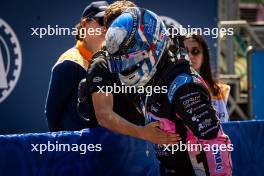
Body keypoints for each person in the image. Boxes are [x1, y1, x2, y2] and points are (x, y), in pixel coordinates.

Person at [104, 7, 233, 175]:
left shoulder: (183, 86)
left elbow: (215, 142)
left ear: (153, 46)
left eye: (131, 61)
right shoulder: (157, 78)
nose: (127, 69)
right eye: (122, 64)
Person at [84, 0, 181, 145]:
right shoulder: (101, 64)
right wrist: (143, 133)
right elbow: (104, 115)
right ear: (109, 30)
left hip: (145, 152)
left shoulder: (150, 56)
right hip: (112, 154)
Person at [45, 1, 108, 131]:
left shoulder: (108, 61)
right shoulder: (70, 63)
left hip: (103, 147)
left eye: (110, 22)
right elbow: (52, 115)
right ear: (85, 24)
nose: (106, 27)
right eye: (102, 21)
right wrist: (68, 148)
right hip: (77, 148)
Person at [183, 33, 230, 123]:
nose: (189, 56)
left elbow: (225, 126)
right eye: (185, 52)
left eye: (195, 51)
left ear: (204, 56)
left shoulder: (220, 90)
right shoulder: (169, 89)